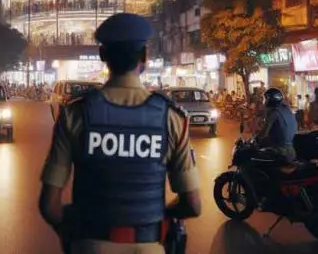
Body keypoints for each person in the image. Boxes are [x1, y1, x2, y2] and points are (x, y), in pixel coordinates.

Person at [38, 13, 201, 253]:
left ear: (103, 56)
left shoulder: (75, 114)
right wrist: (157, 217)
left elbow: (49, 206)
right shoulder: (171, 118)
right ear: (145, 56)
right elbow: (193, 205)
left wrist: (72, 234)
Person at [255, 87, 297, 163]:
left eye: (265, 99)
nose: (264, 102)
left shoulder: (273, 112)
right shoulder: (287, 109)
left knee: (255, 160)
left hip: (279, 151)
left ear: (270, 100)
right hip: (291, 151)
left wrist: (255, 139)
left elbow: (264, 133)